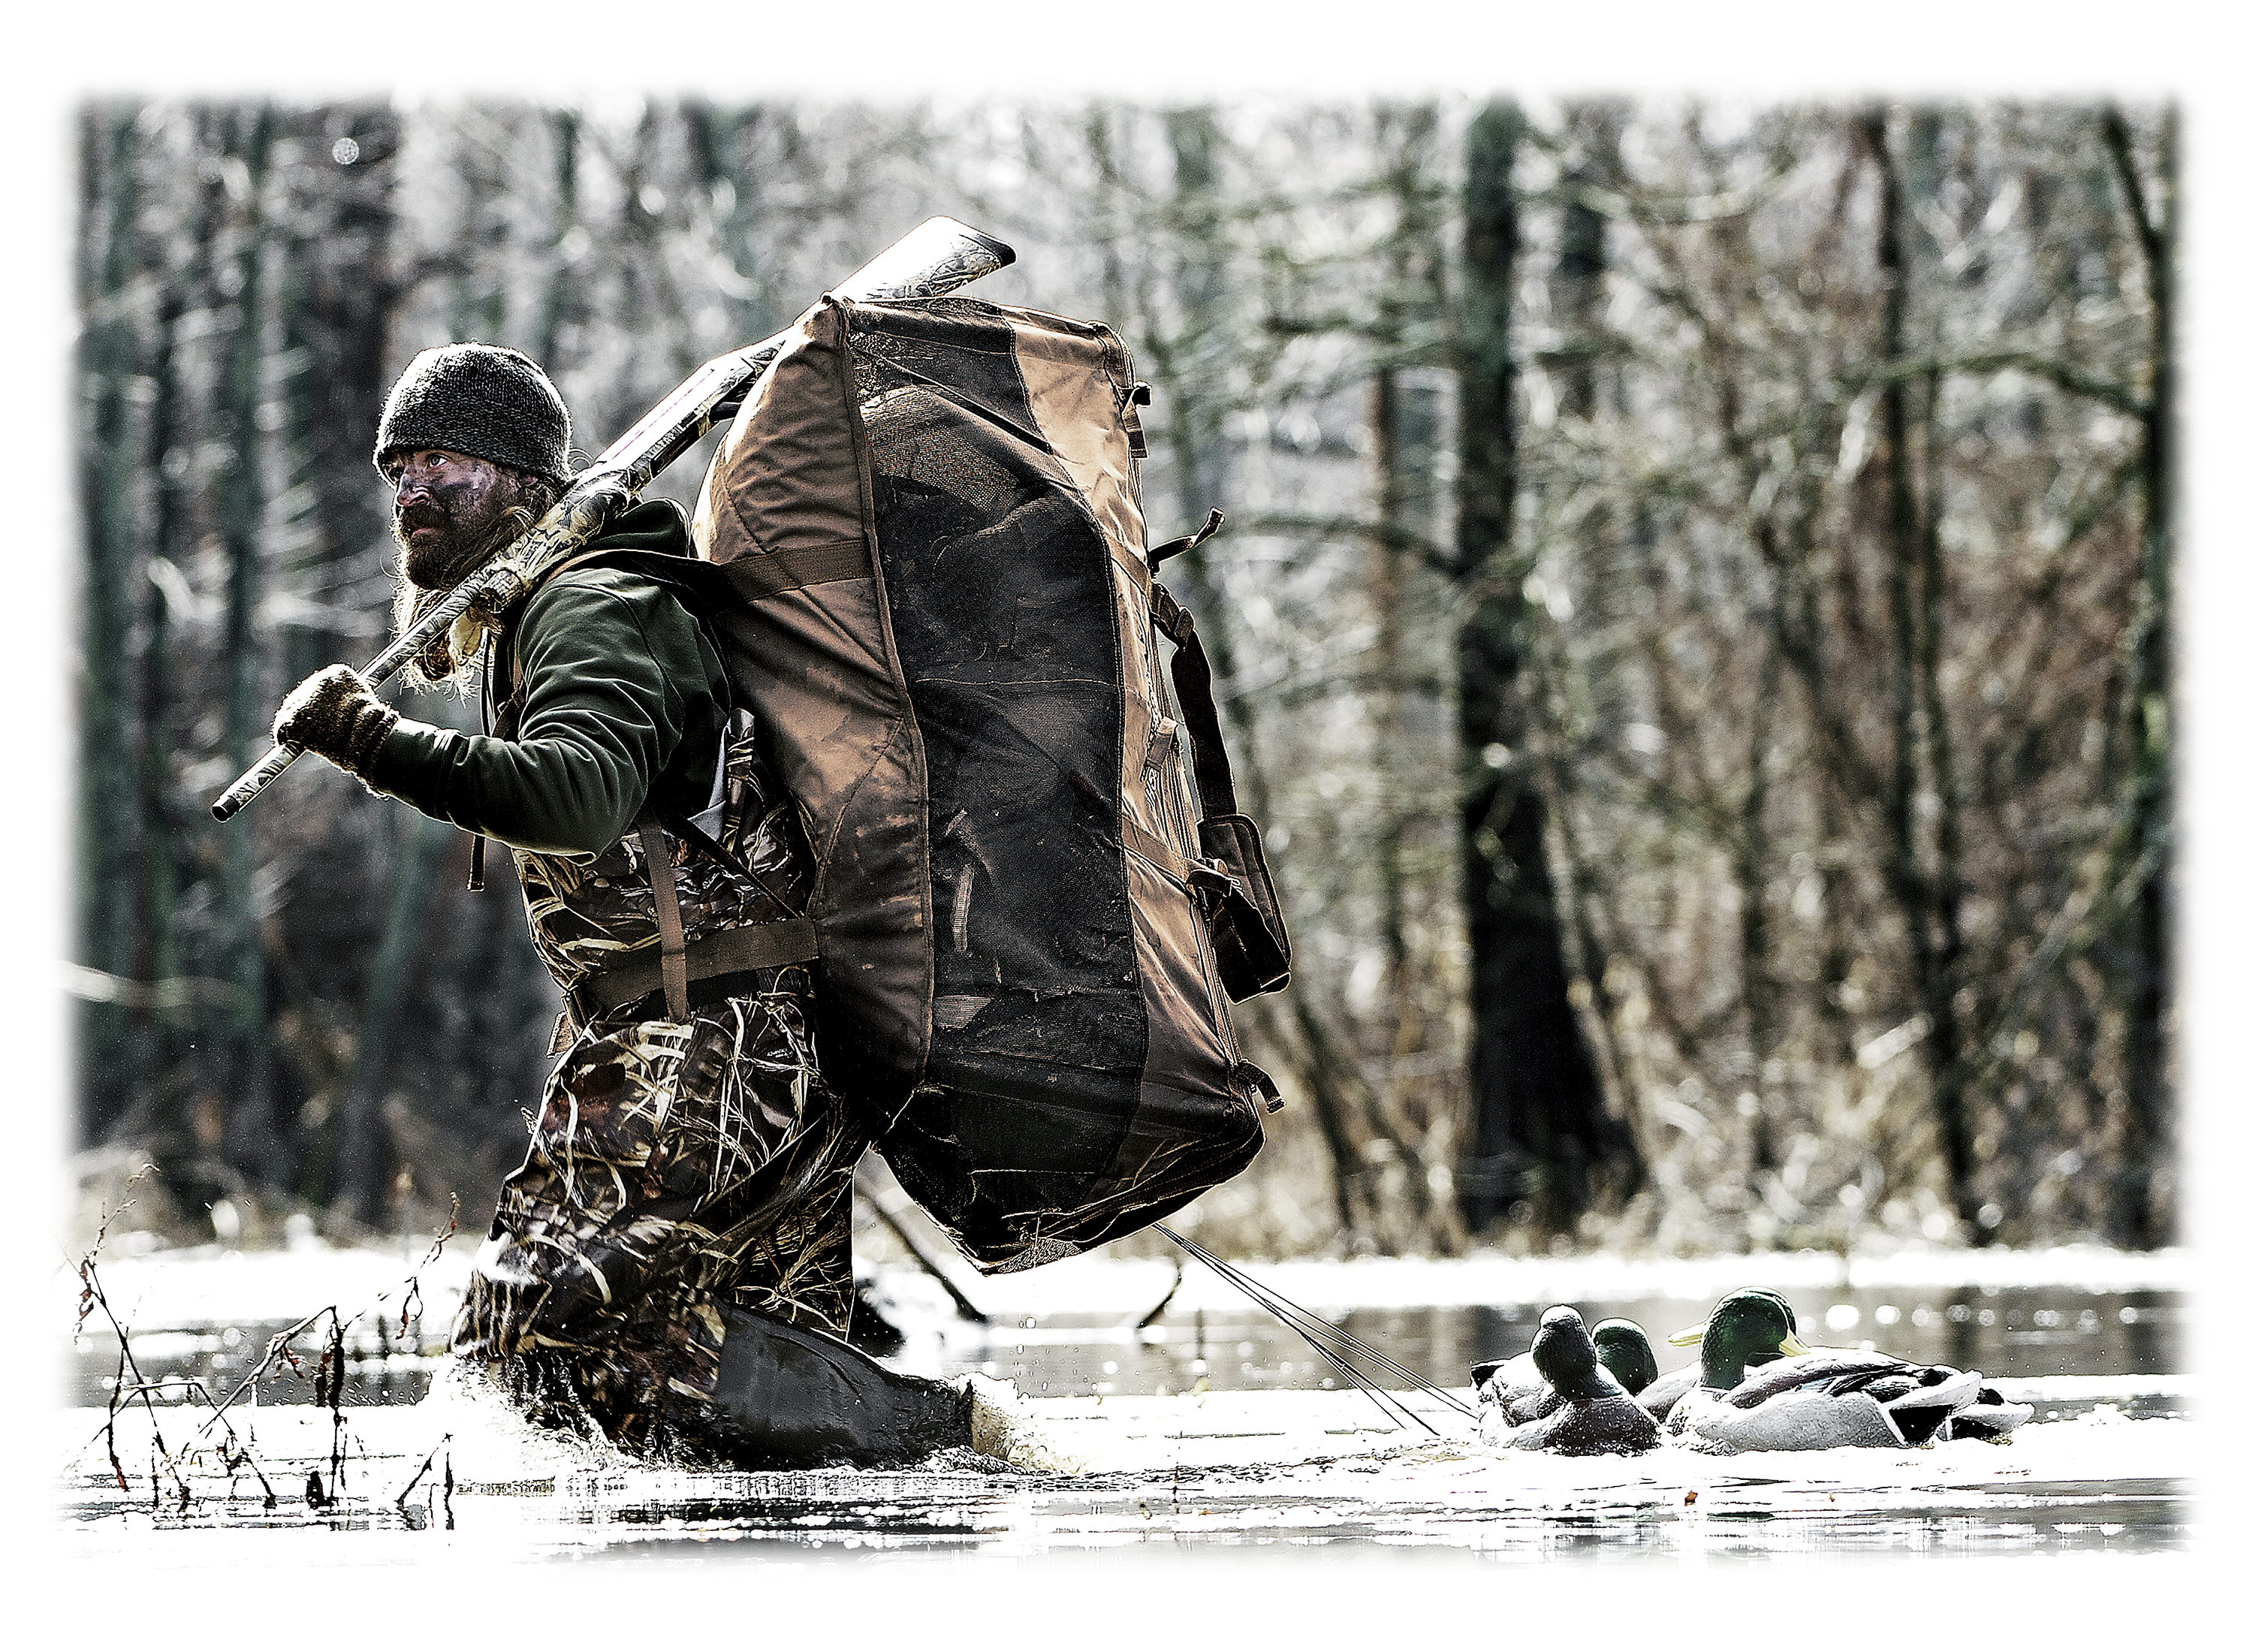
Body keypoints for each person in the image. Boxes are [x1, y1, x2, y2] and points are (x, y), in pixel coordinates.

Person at [272, 342, 972, 1466]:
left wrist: (372, 741)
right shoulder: (564, 610)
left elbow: (576, 794)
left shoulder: (593, 604)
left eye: (444, 460)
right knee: (743, 1420)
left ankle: (948, 1434)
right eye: (396, 466)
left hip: (702, 1046)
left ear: (525, 481)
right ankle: (920, 1483)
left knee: (539, 1341)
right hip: (747, 1041)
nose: (410, 489)